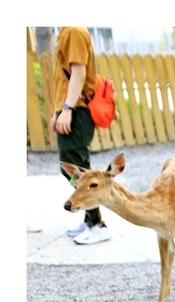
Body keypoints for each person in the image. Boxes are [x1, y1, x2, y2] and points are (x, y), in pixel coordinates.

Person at [50, 26, 108, 245]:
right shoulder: (67, 29)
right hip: (72, 108)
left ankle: (97, 224)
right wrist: (59, 111)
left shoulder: (73, 29)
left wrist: (66, 109)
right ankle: (90, 219)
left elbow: (79, 72)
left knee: (75, 168)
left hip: (76, 110)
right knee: (77, 167)